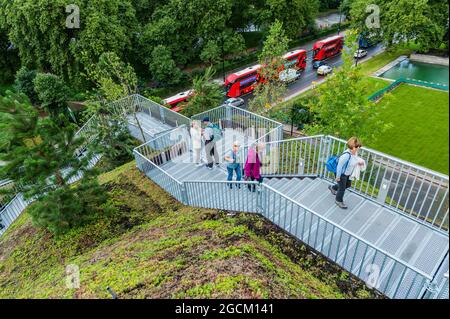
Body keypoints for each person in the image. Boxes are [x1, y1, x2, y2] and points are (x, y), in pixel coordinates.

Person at [328, 137, 365, 209]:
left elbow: (353, 161)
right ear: (353, 147)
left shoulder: (354, 153)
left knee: (347, 185)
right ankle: (338, 200)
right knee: (342, 189)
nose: (359, 149)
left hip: (348, 174)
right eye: (358, 147)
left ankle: (333, 188)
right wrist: (338, 177)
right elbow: (339, 166)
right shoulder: (346, 155)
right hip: (341, 174)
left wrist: (359, 163)